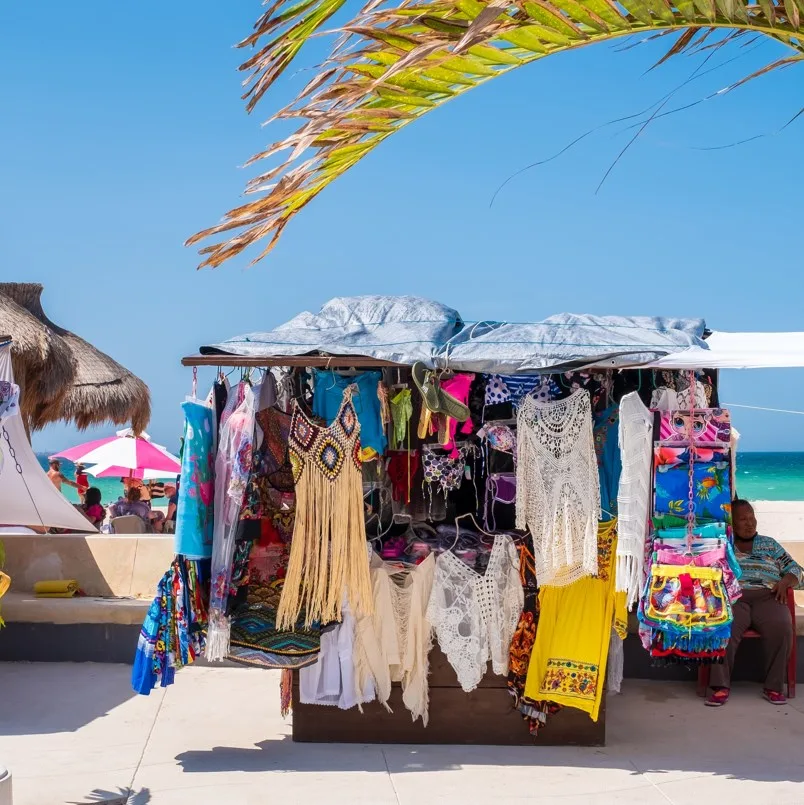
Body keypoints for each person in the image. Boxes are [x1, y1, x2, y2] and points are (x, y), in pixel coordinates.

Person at [706, 499, 803, 707]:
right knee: (724, 625)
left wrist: (785, 581)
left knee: (782, 626)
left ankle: (774, 687)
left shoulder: (770, 544)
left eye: (752, 518)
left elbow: (796, 570)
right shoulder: (724, 545)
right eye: (743, 519)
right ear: (732, 523)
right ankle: (720, 686)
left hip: (768, 596)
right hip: (734, 597)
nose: (750, 523)